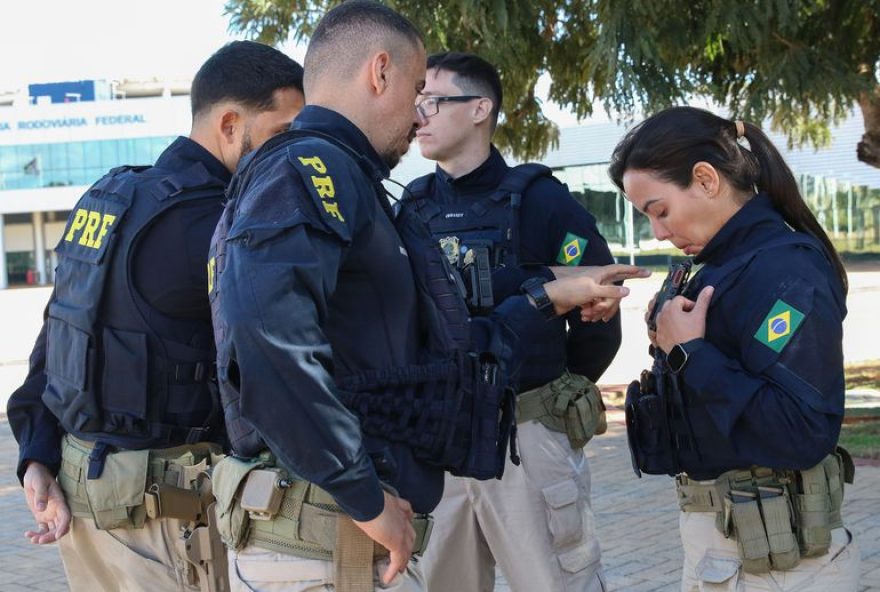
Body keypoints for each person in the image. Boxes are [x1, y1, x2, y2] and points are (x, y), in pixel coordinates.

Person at [207, 4, 645, 591]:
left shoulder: (353, 182)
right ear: (379, 72)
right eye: (417, 90)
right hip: (325, 536)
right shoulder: (310, 172)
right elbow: (269, 344)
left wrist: (546, 298)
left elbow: (426, 358)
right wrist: (364, 497)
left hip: (356, 525)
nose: (418, 115)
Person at [6, 40, 305, 592]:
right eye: (284, 131)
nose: (293, 150)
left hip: (82, 495)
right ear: (231, 124)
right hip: (167, 518)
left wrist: (36, 456)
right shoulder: (216, 225)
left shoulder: (110, 198)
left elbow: (59, 334)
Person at [611, 106, 860, 591]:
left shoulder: (785, 271)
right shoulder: (718, 265)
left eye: (660, 211)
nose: (658, 232)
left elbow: (803, 432)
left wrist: (690, 354)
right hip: (726, 549)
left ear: (706, 179)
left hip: (783, 566)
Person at [397, 51, 617, 592]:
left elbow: (599, 315)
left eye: (431, 101)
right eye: (414, 101)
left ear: (479, 109)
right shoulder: (412, 206)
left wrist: (550, 394)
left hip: (527, 438)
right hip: (442, 440)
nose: (417, 115)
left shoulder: (541, 200)